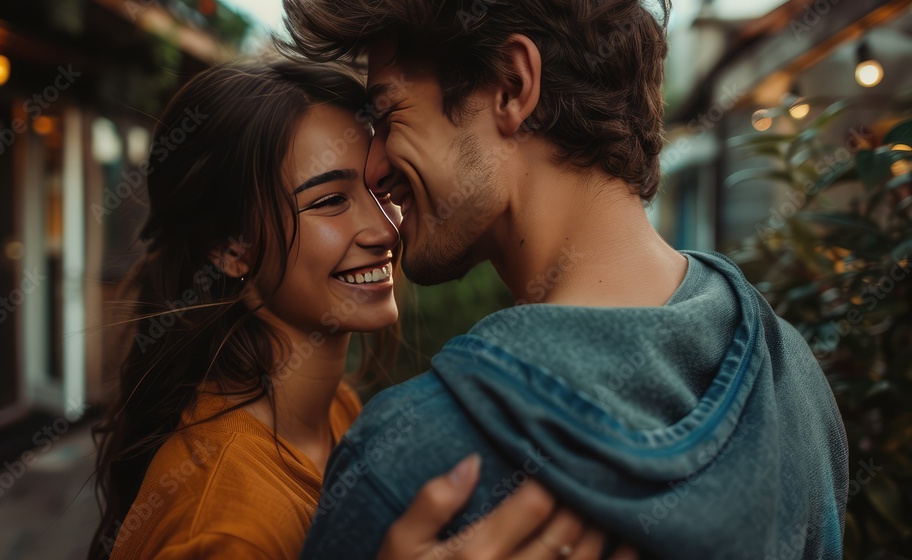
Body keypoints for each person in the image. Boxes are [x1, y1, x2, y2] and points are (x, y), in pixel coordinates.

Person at [277, 0, 850, 558]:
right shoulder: (794, 381)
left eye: (388, 114)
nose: (374, 167)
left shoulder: (410, 463)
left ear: (511, 85)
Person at [87, 59, 621, 560]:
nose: (385, 229)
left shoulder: (334, 413)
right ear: (230, 248)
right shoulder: (227, 521)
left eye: (381, 188)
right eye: (330, 201)